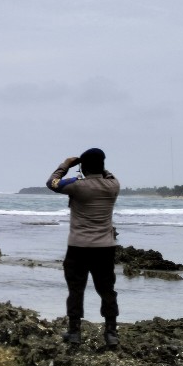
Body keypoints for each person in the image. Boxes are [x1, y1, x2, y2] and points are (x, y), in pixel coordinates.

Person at [47, 148, 121, 347]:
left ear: (83, 167)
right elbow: (106, 173)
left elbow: (51, 183)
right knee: (107, 290)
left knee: (76, 290)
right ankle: (111, 333)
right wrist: (95, 165)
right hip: (105, 248)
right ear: (103, 165)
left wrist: (65, 165)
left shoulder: (76, 186)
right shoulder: (113, 185)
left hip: (78, 247)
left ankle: (74, 333)